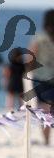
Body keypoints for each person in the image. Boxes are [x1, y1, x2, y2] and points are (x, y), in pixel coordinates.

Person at [28, 9, 54, 145]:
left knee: (45, 109)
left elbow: (31, 56)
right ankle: (46, 139)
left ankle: (46, 139)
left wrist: (27, 71)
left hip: (40, 77)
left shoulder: (39, 37)